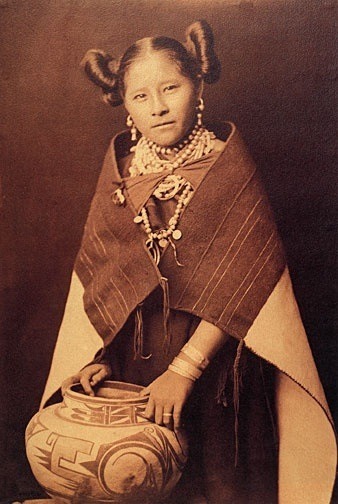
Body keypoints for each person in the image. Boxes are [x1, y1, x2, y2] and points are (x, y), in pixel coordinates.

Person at [43, 20, 336, 504]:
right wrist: (100, 360)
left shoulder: (227, 167)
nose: (157, 107)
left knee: (220, 485)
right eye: (140, 96)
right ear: (125, 105)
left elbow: (247, 281)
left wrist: (184, 371)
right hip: (136, 368)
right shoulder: (120, 171)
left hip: (216, 370)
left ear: (197, 86)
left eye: (170, 88)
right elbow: (106, 282)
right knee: (139, 482)